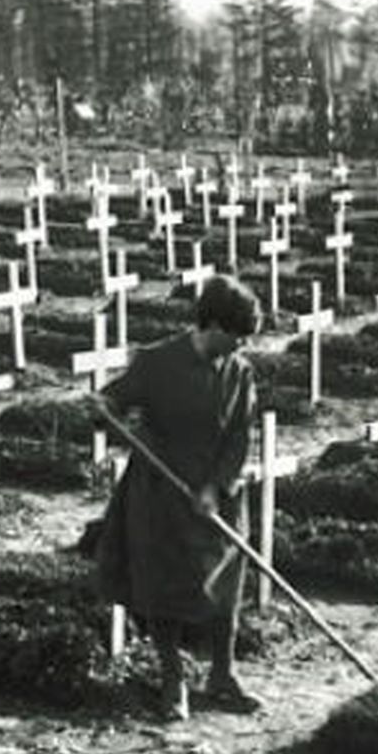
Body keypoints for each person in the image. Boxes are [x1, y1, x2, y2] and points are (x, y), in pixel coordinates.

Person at [95, 274, 262, 722]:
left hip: (217, 495)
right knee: (163, 587)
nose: (241, 346)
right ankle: (174, 680)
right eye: (236, 337)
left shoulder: (240, 371)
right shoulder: (156, 363)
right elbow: (112, 402)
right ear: (211, 325)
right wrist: (104, 409)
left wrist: (215, 486)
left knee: (225, 588)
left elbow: (240, 436)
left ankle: (222, 676)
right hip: (161, 496)